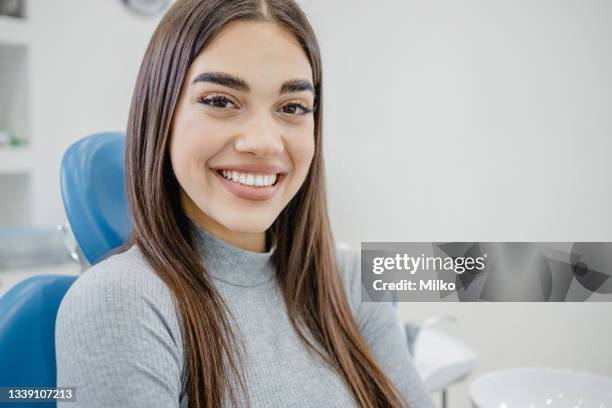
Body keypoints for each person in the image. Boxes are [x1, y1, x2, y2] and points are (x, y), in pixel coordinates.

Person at [55, 1, 435, 407]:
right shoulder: (121, 300)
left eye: (292, 108)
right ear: (160, 114)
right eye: (220, 101)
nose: (264, 142)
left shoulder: (347, 281)